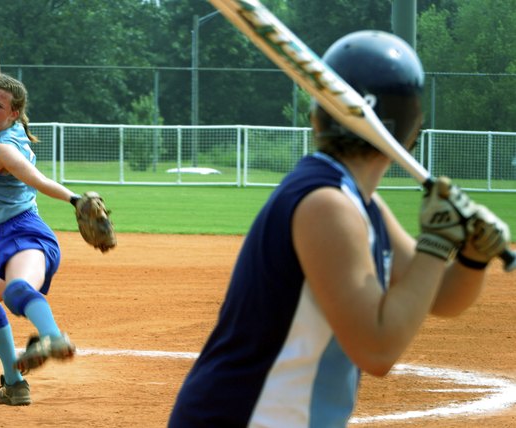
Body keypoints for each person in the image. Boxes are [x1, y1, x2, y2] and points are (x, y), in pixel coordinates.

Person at [168, 30, 511, 427]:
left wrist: (471, 256)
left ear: (318, 116)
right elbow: (377, 349)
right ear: (411, 128)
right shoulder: (327, 206)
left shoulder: (357, 203)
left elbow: (442, 295)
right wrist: (437, 241)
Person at [0, 0, 81, 406]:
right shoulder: (2, 129)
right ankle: (14, 383)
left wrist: (75, 199)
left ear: (13, 115)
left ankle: (51, 337)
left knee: (16, 290)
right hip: (11, 237)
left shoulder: (3, 149)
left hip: (27, 235)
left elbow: (34, 178)